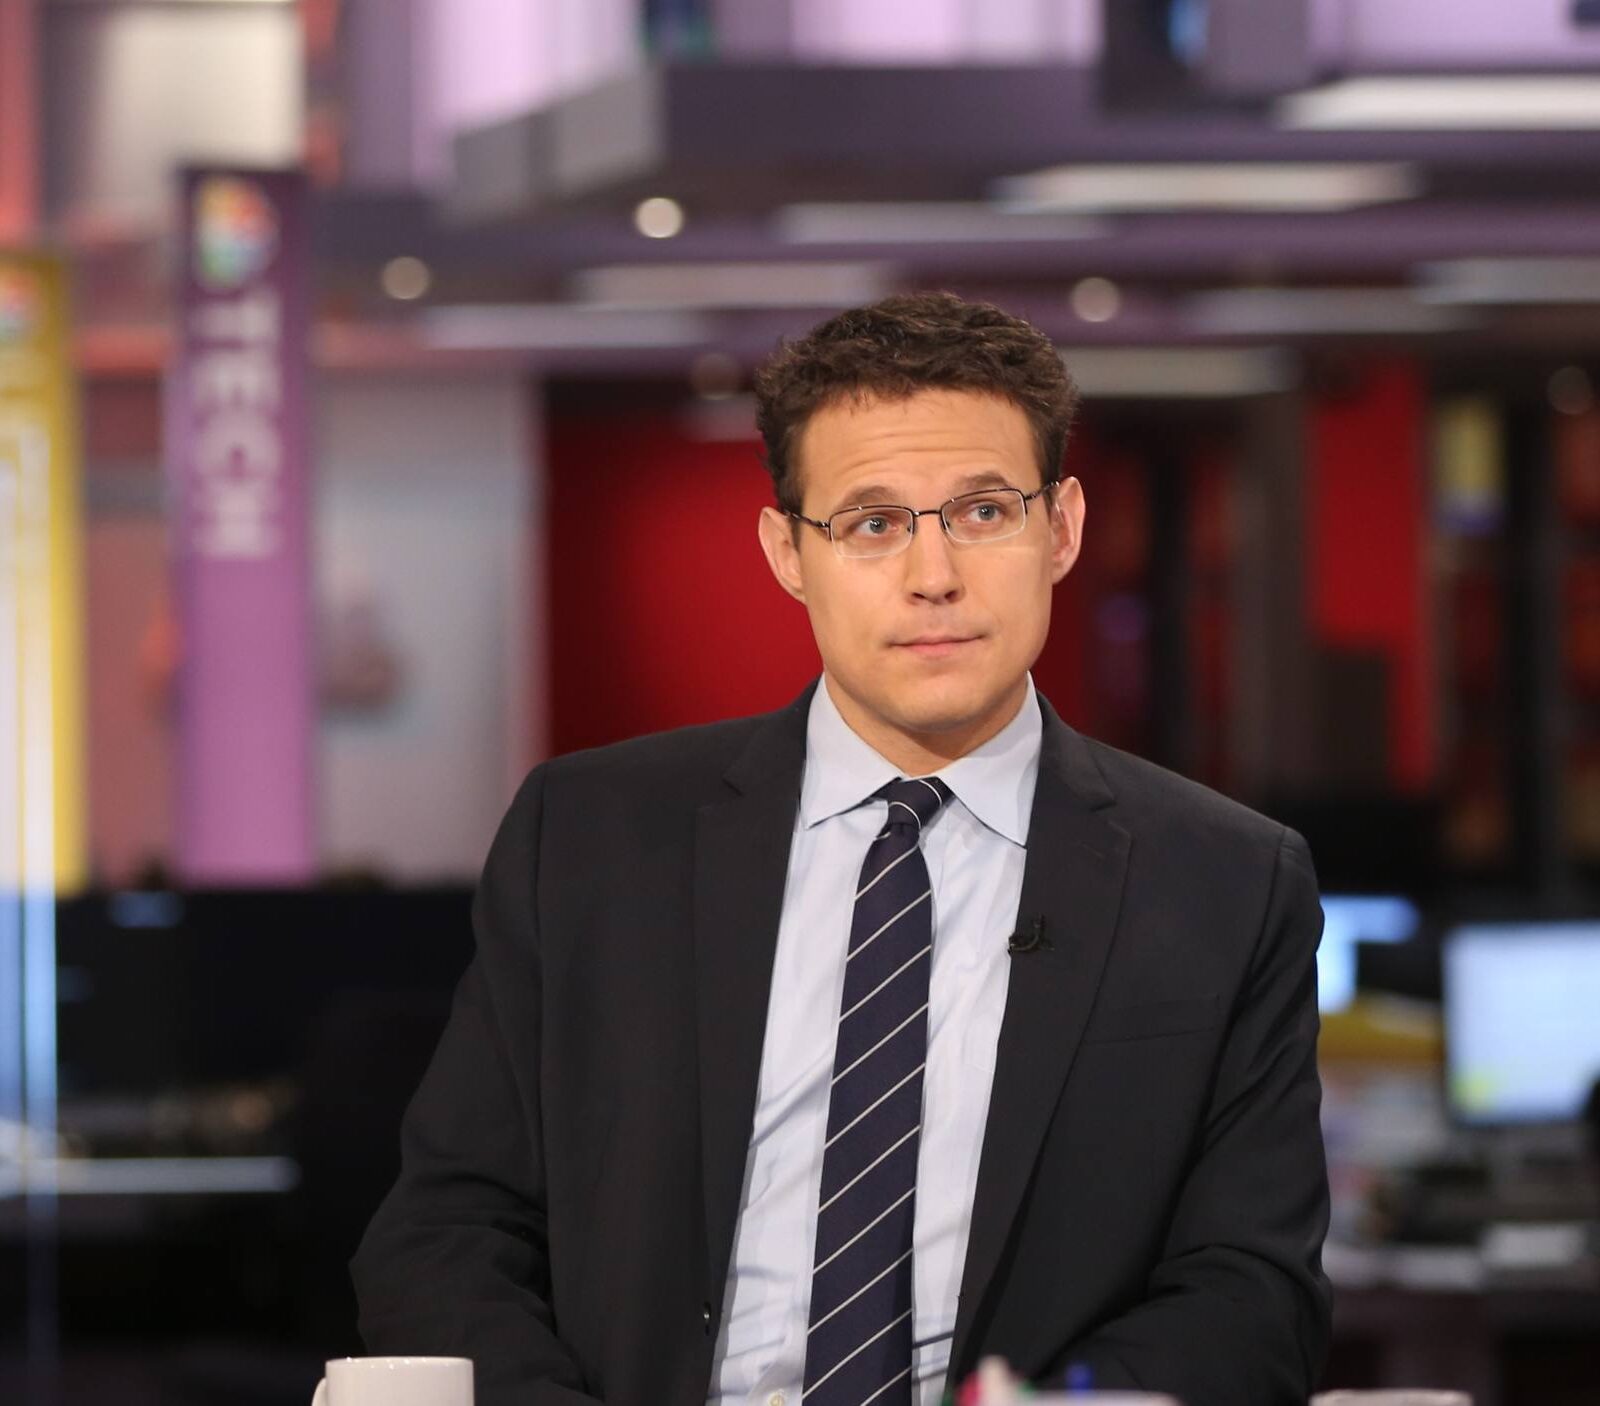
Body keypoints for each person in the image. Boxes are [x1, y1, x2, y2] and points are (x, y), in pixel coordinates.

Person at [352, 292, 1332, 1406]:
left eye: (981, 512)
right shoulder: (588, 837)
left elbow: (1252, 1294)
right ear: (788, 551)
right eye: (872, 522)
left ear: (1059, 528)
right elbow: (444, 1232)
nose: (932, 576)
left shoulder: (1222, 879)